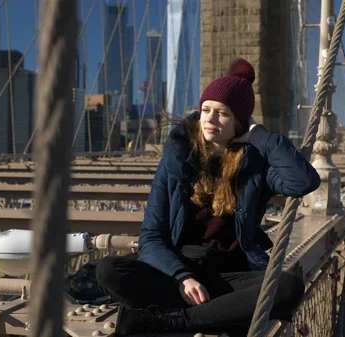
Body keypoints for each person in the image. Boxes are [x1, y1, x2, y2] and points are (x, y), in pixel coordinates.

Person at [94, 58, 321, 336]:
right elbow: (152, 237)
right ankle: (219, 314)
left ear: (240, 122)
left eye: (223, 113)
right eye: (206, 110)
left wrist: (260, 136)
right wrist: (182, 277)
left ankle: (178, 321)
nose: (210, 119)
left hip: (230, 277)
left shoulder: (255, 166)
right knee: (108, 270)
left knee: (288, 286)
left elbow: (304, 181)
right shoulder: (175, 160)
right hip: (181, 270)